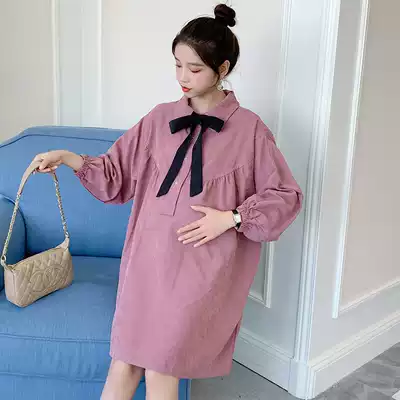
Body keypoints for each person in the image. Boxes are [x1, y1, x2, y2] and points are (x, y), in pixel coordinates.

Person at [34, 4, 303, 400]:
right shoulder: (159, 119)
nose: (182, 77)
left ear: (223, 68)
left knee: (162, 368)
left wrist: (231, 218)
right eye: (177, 65)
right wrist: (68, 157)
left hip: (199, 268)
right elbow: (115, 175)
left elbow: (285, 195)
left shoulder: (250, 130)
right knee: (124, 362)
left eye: (194, 69)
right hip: (146, 262)